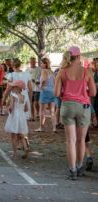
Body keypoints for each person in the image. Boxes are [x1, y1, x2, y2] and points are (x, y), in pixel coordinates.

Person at [54, 46, 96, 180]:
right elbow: (94, 93)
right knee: (81, 140)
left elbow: (56, 93)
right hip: (84, 107)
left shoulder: (62, 72)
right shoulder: (87, 71)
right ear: (78, 56)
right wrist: (84, 93)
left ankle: (72, 171)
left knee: (70, 141)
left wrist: (65, 94)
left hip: (67, 106)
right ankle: (79, 167)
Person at [4, 80, 29, 159]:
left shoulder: (13, 96)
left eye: (13, 87)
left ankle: (15, 153)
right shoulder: (24, 96)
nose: (11, 88)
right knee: (21, 134)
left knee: (14, 135)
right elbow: (26, 109)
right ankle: (25, 148)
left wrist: (8, 110)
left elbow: (11, 107)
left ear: (17, 88)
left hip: (15, 116)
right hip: (22, 116)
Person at [34, 58, 57, 133]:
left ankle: (41, 127)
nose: (40, 65)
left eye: (41, 63)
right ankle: (54, 128)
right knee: (52, 111)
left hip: (45, 92)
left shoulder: (44, 71)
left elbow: (43, 82)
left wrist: (37, 84)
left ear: (45, 64)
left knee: (42, 110)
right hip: (52, 92)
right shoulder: (51, 71)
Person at [25, 57, 42, 121]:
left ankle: (37, 113)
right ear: (30, 62)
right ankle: (32, 115)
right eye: (31, 61)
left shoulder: (39, 69)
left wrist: (38, 81)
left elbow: (42, 78)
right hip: (30, 89)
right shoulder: (27, 70)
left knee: (36, 102)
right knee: (31, 103)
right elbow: (25, 79)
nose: (33, 63)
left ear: (35, 62)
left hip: (37, 88)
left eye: (34, 62)